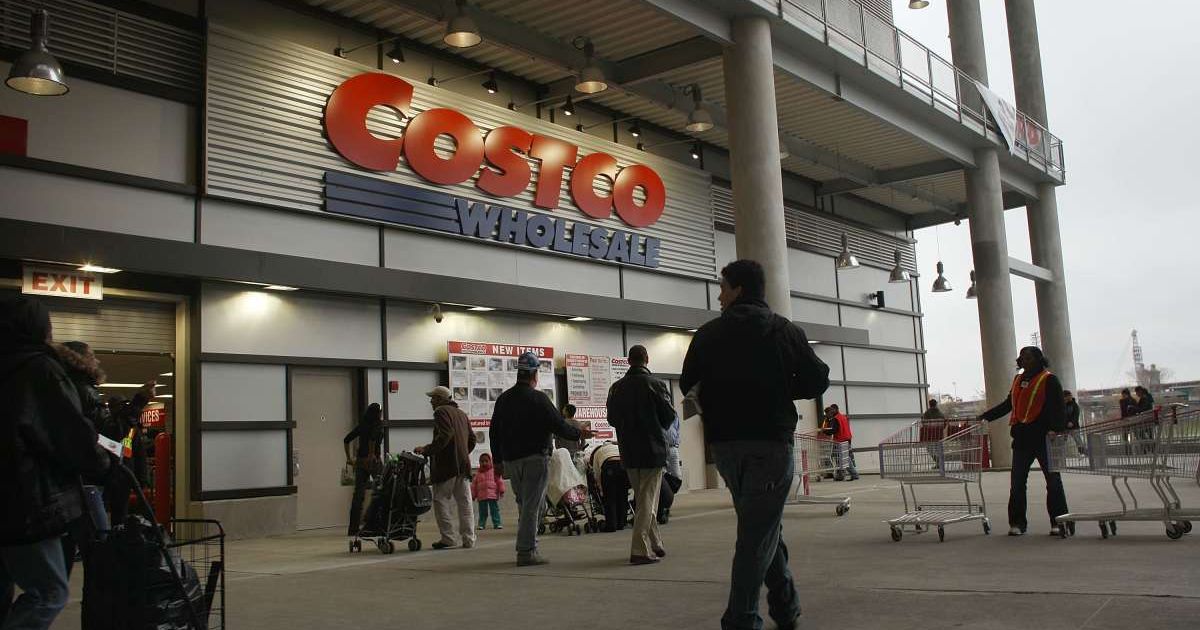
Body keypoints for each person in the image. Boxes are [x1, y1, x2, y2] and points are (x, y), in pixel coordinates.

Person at [680, 259, 830, 630]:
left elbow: (688, 384)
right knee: (757, 533)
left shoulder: (708, 335)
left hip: (727, 449)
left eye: (722, 287)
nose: (719, 294)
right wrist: (781, 388)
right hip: (771, 445)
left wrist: (720, 394)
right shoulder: (784, 331)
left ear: (739, 290)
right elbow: (818, 380)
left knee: (759, 527)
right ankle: (742, 619)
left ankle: (786, 608)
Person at [1, 296, 112, 630]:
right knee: (49, 592)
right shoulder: (40, 370)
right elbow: (71, 433)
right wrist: (104, 463)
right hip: (29, 499)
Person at [489, 352, 592, 566]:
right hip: (535, 459)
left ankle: (527, 544)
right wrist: (579, 433)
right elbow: (559, 425)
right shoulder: (539, 399)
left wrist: (497, 460)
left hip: (511, 460)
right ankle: (526, 551)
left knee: (524, 503)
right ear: (535, 374)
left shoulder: (504, 400)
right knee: (532, 506)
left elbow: (493, 432)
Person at [979, 346, 1069, 536]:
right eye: (1022, 358)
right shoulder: (1018, 380)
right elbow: (1008, 405)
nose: (1025, 361)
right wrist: (985, 416)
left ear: (1038, 359)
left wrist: (1056, 429)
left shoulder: (1049, 379)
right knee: (1017, 483)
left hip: (1045, 440)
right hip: (1022, 440)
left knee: (1053, 482)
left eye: (1029, 358)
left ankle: (1059, 521)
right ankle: (1017, 523)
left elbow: (1058, 407)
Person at [606, 345, 675, 565]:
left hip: (628, 451)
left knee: (645, 498)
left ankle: (655, 542)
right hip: (652, 450)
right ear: (646, 359)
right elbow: (669, 416)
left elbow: (612, 419)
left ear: (628, 361)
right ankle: (639, 549)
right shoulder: (656, 384)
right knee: (647, 500)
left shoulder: (616, 388)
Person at [415, 386, 477, 549]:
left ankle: (448, 537)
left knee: (440, 499)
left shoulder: (441, 412)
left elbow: (446, 434)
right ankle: (469, 538)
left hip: (447, 465)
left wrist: (427, 449)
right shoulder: (462, 414)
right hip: (463, 465)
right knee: (465, 502)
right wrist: (462, 452)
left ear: (441, 399)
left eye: (433, 398)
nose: (431, 401)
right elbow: (472, 439)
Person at [343, 402, 383, 537]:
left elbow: (346, 439)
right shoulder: (378, 424)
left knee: (358, 495)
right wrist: (371, 455)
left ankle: (353, 528)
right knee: (382, 491)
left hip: (360, 462)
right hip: (373, 461)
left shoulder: (363, 425)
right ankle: (374, 522)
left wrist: (349, 458)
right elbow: (373, 439)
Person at [590, 441, 628, 532]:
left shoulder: (598, 452)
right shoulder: (616, 448)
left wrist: (601, 488)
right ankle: (621, 523)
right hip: (623, 467)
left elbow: (596, 473)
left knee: (610, 498)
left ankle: (611, 525)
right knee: (623, 496)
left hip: (609, 467)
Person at [471, 453, 504, 530]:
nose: (484, 463)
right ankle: (481, 524)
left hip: (492, 495)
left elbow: (499, 481)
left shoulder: (494, 472)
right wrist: (473, 495)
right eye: (482, 461)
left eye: (486, 461)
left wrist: (501, 490)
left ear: (490, 461)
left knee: (494, 510)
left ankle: (497, 523)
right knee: (482, 511)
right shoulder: (478, 475)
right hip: (482, 496)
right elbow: (473, 486)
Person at [826, 404, 858, 481]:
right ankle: (841, 474)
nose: (831, 411)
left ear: (836, 409)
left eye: (832, 410)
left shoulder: (836, 418)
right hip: (847, 438)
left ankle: (853, 474)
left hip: (840, 440)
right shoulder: (842, 417)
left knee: (843, 458)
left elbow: (834, 430)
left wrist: (824, 431)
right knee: (839, 457)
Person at [1063, 390, 1086, 456]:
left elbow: (1076, 415)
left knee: (1077, 439)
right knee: (1061, 440)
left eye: (1070, 396)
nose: (1069, 397)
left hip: (1074, 427)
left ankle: (1082, 452)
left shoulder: (1074, 405)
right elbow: (1062, 415)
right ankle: (1060, 455)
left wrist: (1072, 422)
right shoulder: (1062, 405)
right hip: (1065, 427)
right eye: (1067, 396)